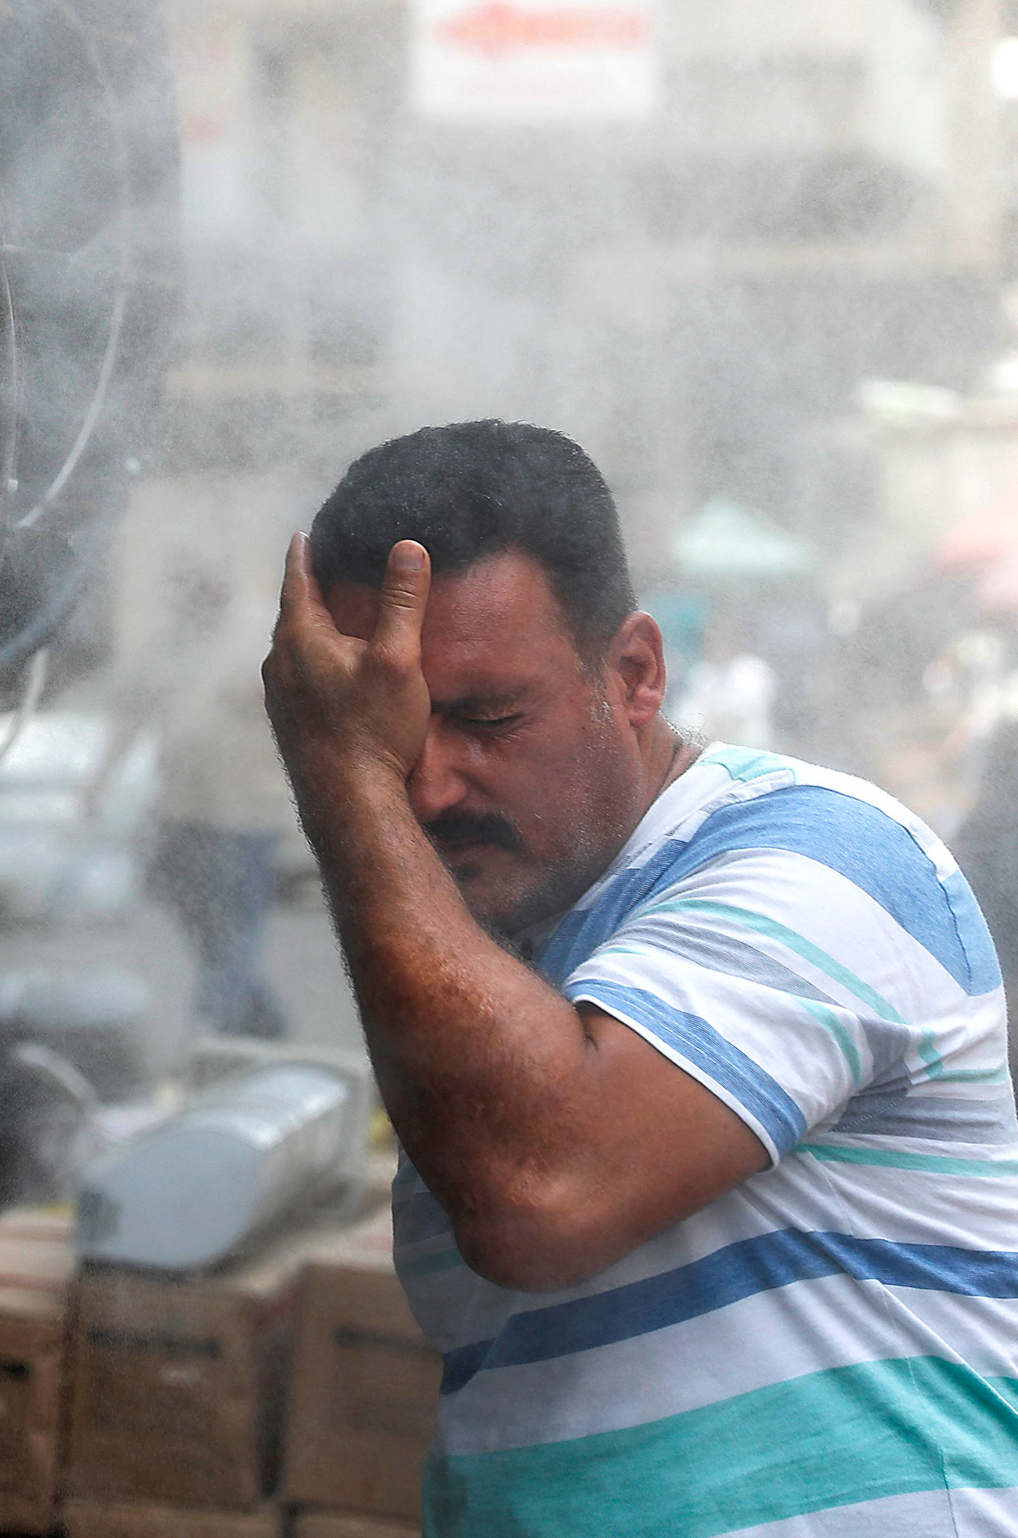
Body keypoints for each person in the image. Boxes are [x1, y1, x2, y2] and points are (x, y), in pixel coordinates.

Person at [265, 420, 1018, 1537]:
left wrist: (342, 775)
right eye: (389, 735)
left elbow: (540, 1191)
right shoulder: (474, 978)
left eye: (485, 719)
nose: (423, 787)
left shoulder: (824, 854)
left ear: (632, 674)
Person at [146, 568, 294, 1038]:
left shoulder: (259, 632)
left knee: (238, 928)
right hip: (184, 812)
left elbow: (298, 695)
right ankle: (266, 1026)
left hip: (245, 813)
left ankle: (211, 1027)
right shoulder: (173, 645)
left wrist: (262, 692)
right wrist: (97, 784)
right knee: (204, 929)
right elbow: (136, 709)